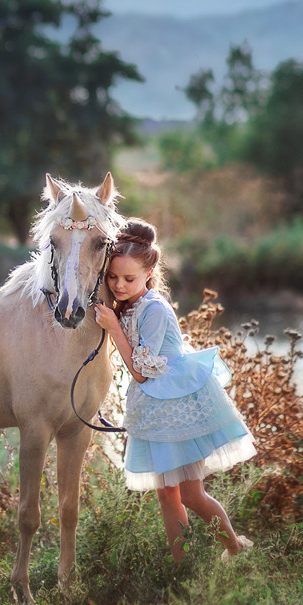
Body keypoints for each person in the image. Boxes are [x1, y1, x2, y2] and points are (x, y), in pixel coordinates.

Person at [92, 218, 257, 563]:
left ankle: (235, 547)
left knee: (192, 493)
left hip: (177, 401)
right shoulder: (130, 305)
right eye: (112, 277)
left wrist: (112, 327)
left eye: (129, 278)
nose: (119, 285)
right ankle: (180, 565)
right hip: (154, 407)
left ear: (149, 274)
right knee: (167, 494)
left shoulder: (153, 308)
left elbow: (141, 371)